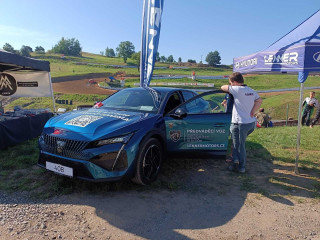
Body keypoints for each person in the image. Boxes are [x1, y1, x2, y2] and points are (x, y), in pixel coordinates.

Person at [221, 72, 262, 173]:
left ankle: (242, 167)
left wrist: (229, 86)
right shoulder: (251, 90)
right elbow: (259, 100)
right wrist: (253, 111)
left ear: (235, 82)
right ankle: (235, 162)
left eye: (231, 83)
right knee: (237, 144)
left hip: (239, 124)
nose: (230, 85)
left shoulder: (237, 89)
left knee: (239, 145)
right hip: (250, 123)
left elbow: (222, 87)